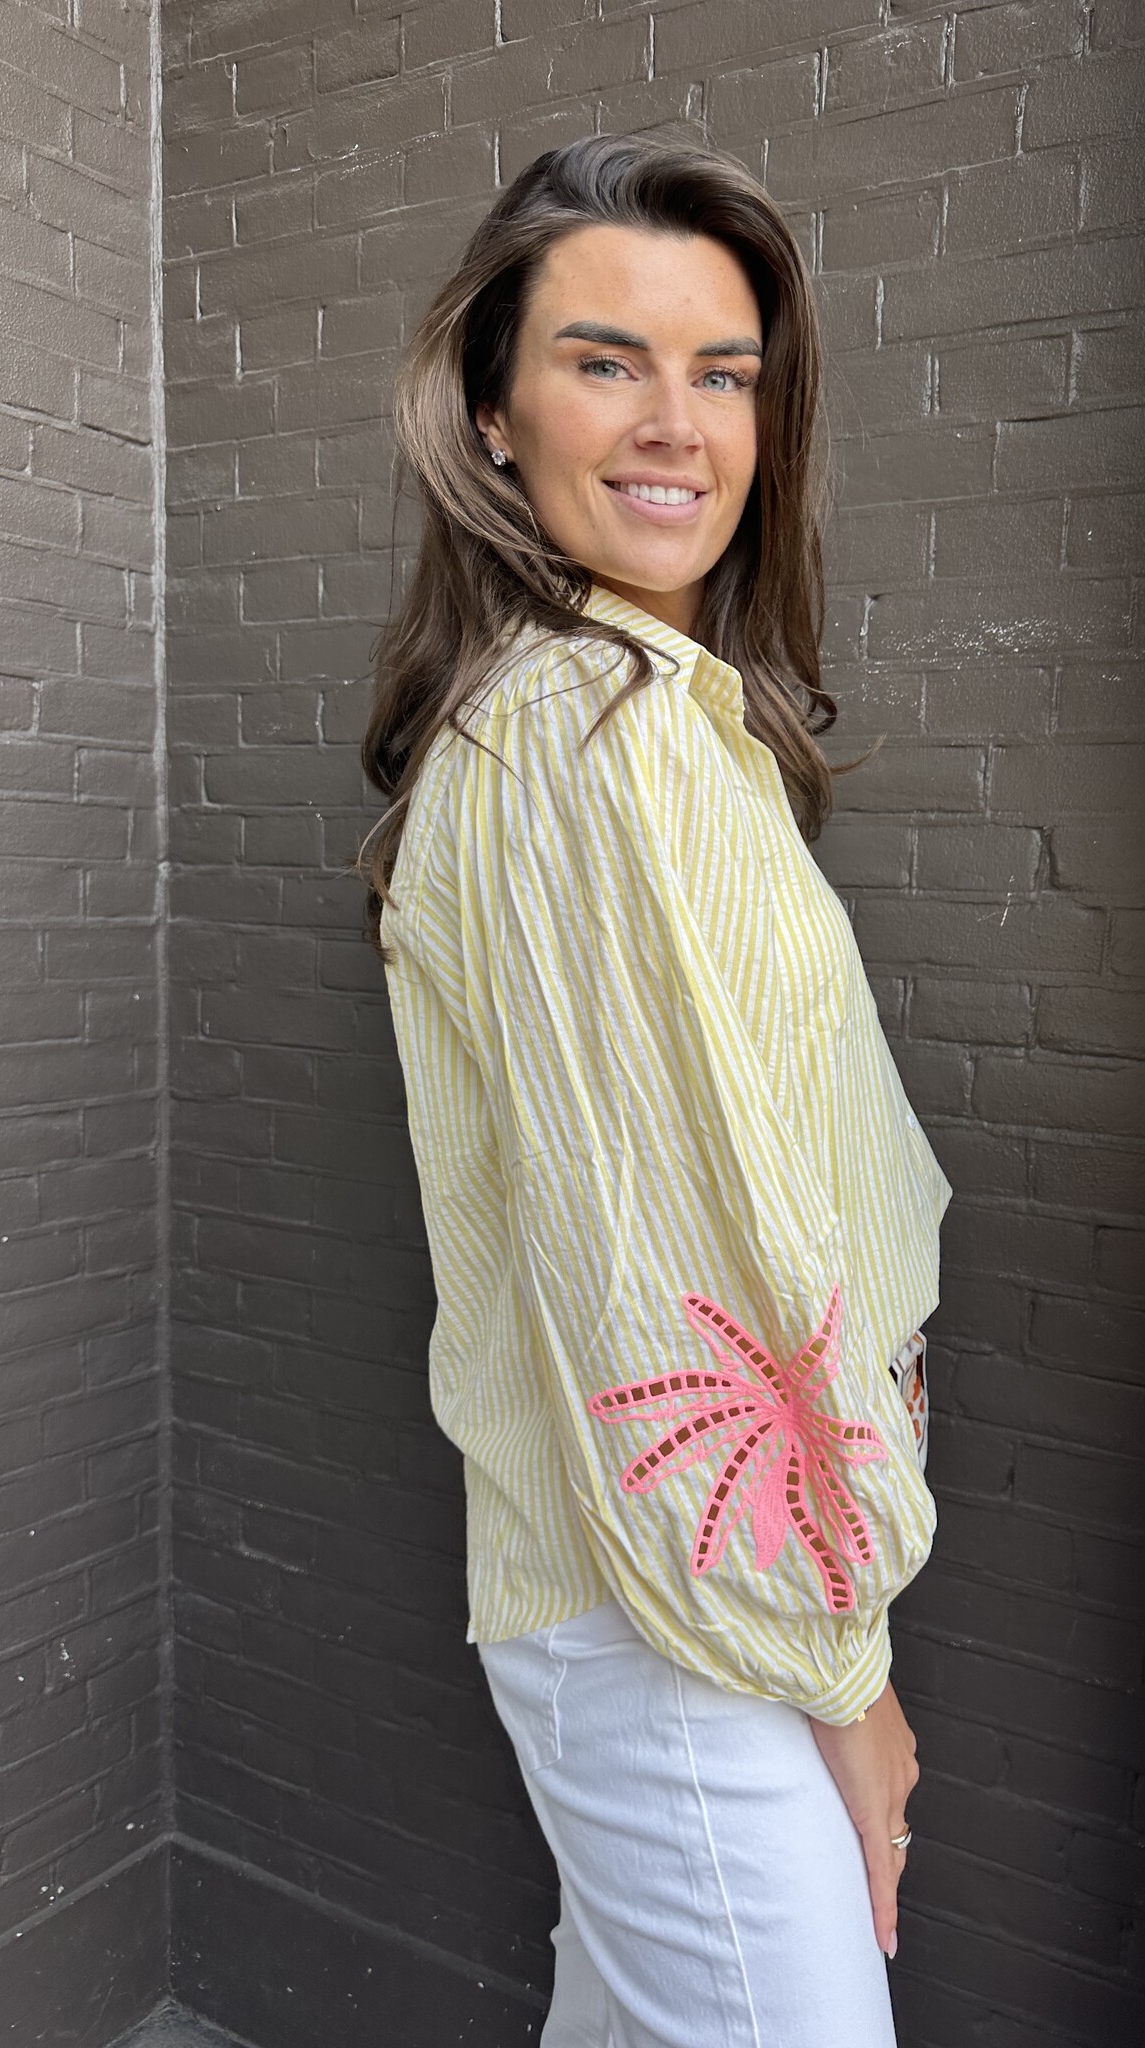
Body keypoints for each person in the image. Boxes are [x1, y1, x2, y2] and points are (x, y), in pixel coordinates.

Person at [355, 133, 953, 2048]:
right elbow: (675, 1256)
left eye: (726, 372)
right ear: (492, 410)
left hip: (684, 1587)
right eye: (605, 361)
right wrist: (845, 1676)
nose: (677, 425)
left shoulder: (655, 725)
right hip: (679, 1610)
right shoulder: (581, 739)